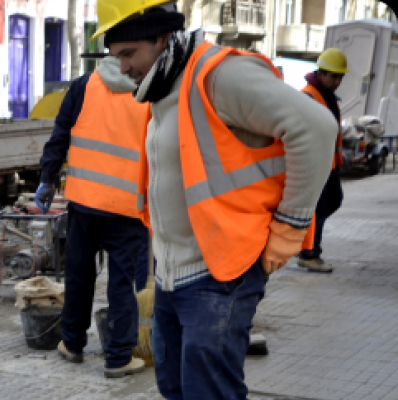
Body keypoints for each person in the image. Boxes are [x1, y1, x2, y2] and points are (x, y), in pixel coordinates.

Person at [94, 0, 336, 397]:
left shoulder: (220, 75)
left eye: (128, 53)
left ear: (162, 38)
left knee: (209, 392)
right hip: (173, 277)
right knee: (175, 387)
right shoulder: (166, 83)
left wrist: (292, 225)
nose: (122, 67)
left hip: (220, 274)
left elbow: (317, 127)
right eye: (115, 56)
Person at [35, 54, 151, 378]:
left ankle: (71, 343)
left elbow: (60, 136)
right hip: (127, 206)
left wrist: (47, 179)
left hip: (84, 202)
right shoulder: (148, 90)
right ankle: (118, 358)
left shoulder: (84, 86)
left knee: (79, 275)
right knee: (121, 282)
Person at [297, 48, 348, 274]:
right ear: (322, 74)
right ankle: (309, 254)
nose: (338, 81)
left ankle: (303, 239)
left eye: (340, 77)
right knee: (317, 210)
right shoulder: (308, 96)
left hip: (330, 166)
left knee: (333, 201)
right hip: (315, 166)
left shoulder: (329, 98)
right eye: (334, 76)